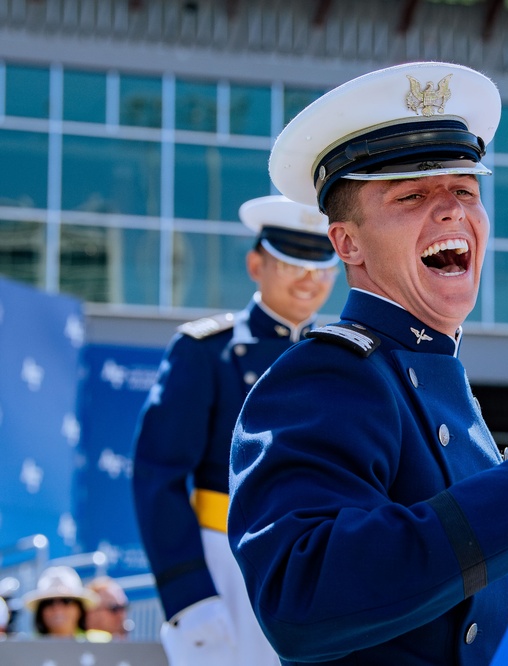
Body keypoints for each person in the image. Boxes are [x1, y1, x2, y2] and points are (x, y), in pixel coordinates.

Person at [228, 61, 508, 665]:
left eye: (465, 189)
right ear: (347, 244)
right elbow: (298, 593)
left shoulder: (441, 376)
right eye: (412, 194)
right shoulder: (329, 374)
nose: (451, 210)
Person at [132, 194, 339, 665]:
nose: (310, 279)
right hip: (226, 560)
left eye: (322, 267)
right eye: (291, 263)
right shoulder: (205, 351)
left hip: (321, 563)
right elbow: (156, 474)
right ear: (255, 264)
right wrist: (188, 593)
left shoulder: (339, 357)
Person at [22, 566, 110, 641]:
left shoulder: (103, 643)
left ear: (79, 608)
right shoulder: (26, 649)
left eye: (66, 601)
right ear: (40, 611)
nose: (57, 608)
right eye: (49, 602)